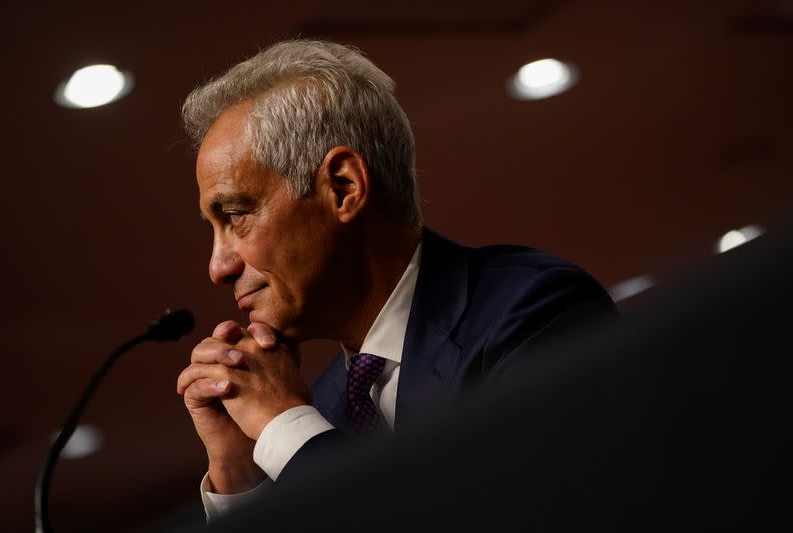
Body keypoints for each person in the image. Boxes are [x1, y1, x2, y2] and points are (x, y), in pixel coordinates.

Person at [175, 38, 616, 522]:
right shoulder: (315, 403)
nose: (217, 267)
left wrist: (284, 427)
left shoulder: (535, 313)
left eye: (236, 215)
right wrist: (242, 476)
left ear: (343, 188)